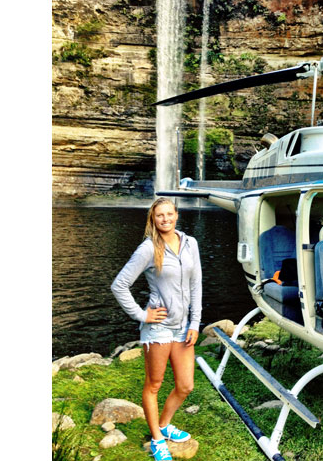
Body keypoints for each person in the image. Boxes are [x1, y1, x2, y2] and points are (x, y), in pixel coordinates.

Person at [110, 197, 202, 461]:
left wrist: (195, 322)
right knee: (154, 384)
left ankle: (164, 425)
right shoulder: (148, 249)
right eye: (159, 215)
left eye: (169, 214)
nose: (165, 219)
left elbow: (196, 285)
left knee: (185, 386)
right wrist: (142, 314)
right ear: (153, 219)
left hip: (184, 329)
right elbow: (119, 285)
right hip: (159, 329)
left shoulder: (190, 244)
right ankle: (157, 439)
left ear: (176, 215)